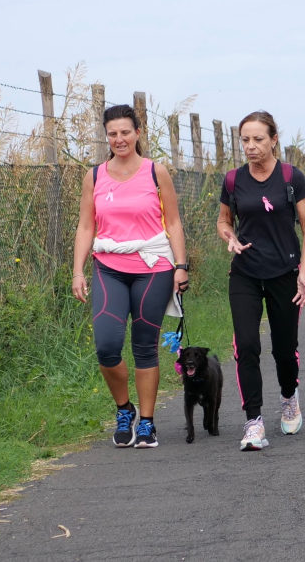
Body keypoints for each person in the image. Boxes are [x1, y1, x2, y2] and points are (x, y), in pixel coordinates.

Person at [72, 104, 189, 450]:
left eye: (125, 132)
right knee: (107, 346)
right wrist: (78, 271)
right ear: (106, 136)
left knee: (144, 347)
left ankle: (148, 424)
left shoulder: (156, 172)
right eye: (112, 133)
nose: (119, 139)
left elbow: (174, 222)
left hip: (153, 268)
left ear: (138, 133)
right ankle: (124, 409)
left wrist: (181, 265)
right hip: (108, 266)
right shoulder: (94, 175)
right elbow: (85, 225)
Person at [216, 110, 305, 451]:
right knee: (246, 344)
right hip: (245, 271)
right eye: (245, 140)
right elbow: (224, 221)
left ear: (274, 139)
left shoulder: (291, 177)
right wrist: (228, 236)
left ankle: (289, 395)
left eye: (258, 139)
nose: (251, 146)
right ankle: (254, 421)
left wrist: (303, 271)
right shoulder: (233, 180)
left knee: (284, 349)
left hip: (284, 272)